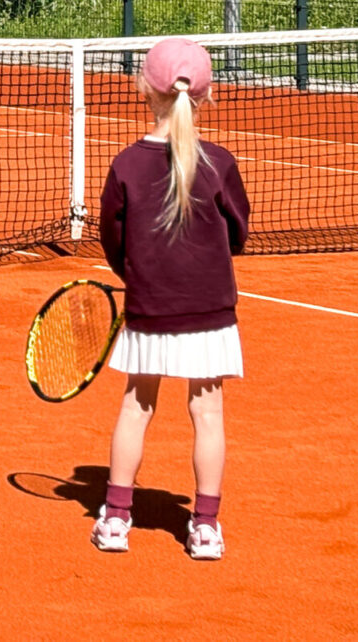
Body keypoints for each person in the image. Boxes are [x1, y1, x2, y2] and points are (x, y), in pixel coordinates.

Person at [92, 36, 250, 562]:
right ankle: (205, 527)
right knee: (208, 412)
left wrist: (139, 274)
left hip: (150, 308)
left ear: (145, 89)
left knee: (137, 407)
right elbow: (237, 233)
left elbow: (113, 240)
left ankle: (116, 518)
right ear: (204, 95)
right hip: (209, 310)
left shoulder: (126, 166)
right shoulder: (219, 164)